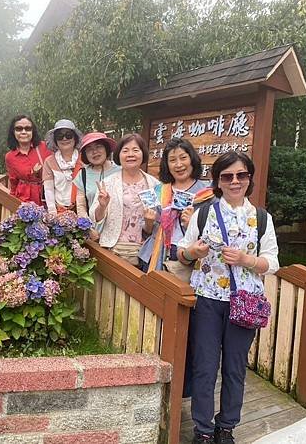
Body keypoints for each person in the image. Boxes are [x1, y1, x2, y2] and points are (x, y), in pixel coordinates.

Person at [177, 151, 279, 444]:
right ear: (218, 181)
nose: (235, 181)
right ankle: (204, 429)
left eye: (241, 175)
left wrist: (247, 260)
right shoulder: (205, 213)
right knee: (205, 366)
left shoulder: (261, 217)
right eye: (227, 176)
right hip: (207, 299)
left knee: (235, 367)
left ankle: (227, 427)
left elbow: (272, 262)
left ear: (249, 179)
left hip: (245, 301)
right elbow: (182, 251)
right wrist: (192, 252)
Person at [138, 138, 213, 276]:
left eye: (183, 158)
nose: (178, 164)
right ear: (167, 165)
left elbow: (215, 231)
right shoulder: (158, 191)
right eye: (172, 160)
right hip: (155, 257)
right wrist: (148, 222)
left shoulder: (208, 194)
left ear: (192, 159)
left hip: (189, 261)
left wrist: (193, 224)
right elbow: (147, 231)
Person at [89, 133, 160, 266]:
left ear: (143, 153)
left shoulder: (154, 184)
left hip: (143, 252)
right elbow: (95, 218)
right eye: (125, 150)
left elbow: (155, 224)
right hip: (113, 249)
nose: (130, 154)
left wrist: (149, 223)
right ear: (118, 155)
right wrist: (102, 206)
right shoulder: (108, 183)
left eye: (135, 150)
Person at [73, 132, 120, 226]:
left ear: (106, 148)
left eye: (98, 146)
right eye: (89, 149)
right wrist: (88, 228)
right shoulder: (83, 174)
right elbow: (81, 206)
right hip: (95, 231)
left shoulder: (120, 171)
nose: (94, 152)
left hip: (119, 230)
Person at [5, 115, 51, 206]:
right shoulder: (10, 157)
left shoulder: (45, 147)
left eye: (28, 128)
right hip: (24, 199)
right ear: (13, 132)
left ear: (33, 131)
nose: (23, 132)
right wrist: (12, 204)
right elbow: (13, 182)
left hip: (46, 196)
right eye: (19, 128)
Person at [42, 119, 84, 214]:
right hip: (60, 212)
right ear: (55, 140)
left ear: (75, 138)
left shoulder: (84, 159)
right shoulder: (49, 162)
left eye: (68, 135)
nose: (64, 139)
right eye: (60, 136)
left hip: (83, 210)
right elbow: (48, 190)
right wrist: (53, 213)